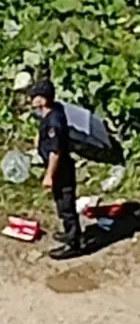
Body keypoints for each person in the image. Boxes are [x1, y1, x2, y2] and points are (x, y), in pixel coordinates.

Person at [30, 80, 82, 260]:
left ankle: (73, 242)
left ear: (43, 99)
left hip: (61, 168)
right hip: (58, 166)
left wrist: (48, 176)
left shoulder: (54, 122)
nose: (32, 99)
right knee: (61, 202)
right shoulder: (53, 110)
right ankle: (69, 232)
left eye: (35, 96)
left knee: (66, 204)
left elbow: (56, 152)